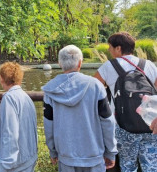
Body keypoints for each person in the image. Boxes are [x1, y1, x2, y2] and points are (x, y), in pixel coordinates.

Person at [42, 45, 118, 172]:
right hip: (94, 157)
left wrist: (53, 151)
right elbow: (107, 121)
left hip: (66, 157)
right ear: (80, 63)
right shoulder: (95, 86)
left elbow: (48, 124)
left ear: (60, 63)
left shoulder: (50, 89)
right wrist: (111, 151)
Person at [94, 32, 157, 172]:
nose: (109, 51)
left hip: (123, 126)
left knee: (128, 165)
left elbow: (93, 89)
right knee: (151, 165)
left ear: (118, 48)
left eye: (110, 47)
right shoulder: (149, 65)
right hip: (151, 124)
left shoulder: (108, 66)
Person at [0, 62, 38, 172]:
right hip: (29, 158)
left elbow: (9, 133)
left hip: (16, 165)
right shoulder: (26, 97)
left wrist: (5, 165)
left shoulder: (9, 98)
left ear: (1, 78)